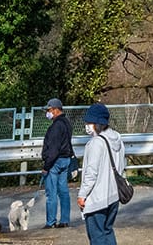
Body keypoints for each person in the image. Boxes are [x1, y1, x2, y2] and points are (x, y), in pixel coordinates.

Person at [78, 102, 126, 245]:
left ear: (97, 123)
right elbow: (122, 165)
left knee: (97, 236)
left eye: (89, 122)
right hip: (114, 196)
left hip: (97, 198)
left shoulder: (96, 143)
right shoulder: (117, 138)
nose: (87, 125)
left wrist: (82, 195)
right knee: (107, 231)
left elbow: (91, 173)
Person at [40, 98, 74, 229]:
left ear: (55, 110)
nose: (47, 113)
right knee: (64, 191)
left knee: (51, 193)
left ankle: (51, 222)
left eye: (49, 110)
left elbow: (53, 149)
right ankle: (65, 220)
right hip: (66, 160)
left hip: (55, 162)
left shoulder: (56, 126)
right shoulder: (67, 123)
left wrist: (46, 167)